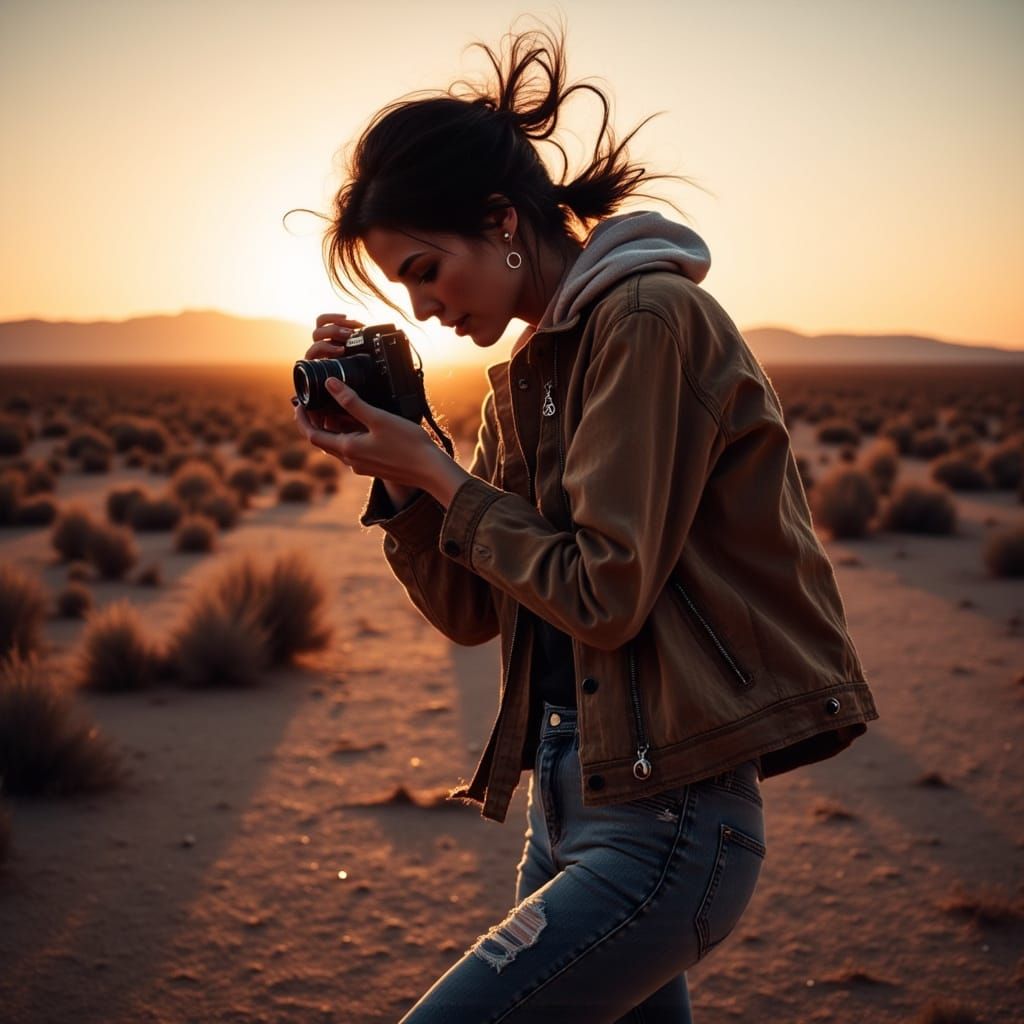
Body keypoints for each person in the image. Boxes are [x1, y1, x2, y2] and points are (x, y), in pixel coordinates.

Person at [293, 24, 879, 1024]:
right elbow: (476, 608)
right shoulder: (531, 376)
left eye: (428, 268)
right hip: (564, 799)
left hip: (667, 822)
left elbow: (602, 594)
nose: (425, 305)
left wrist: (433, 468)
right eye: (404, 287)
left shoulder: (648, 321)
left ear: (501, 219)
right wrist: (396, 470)